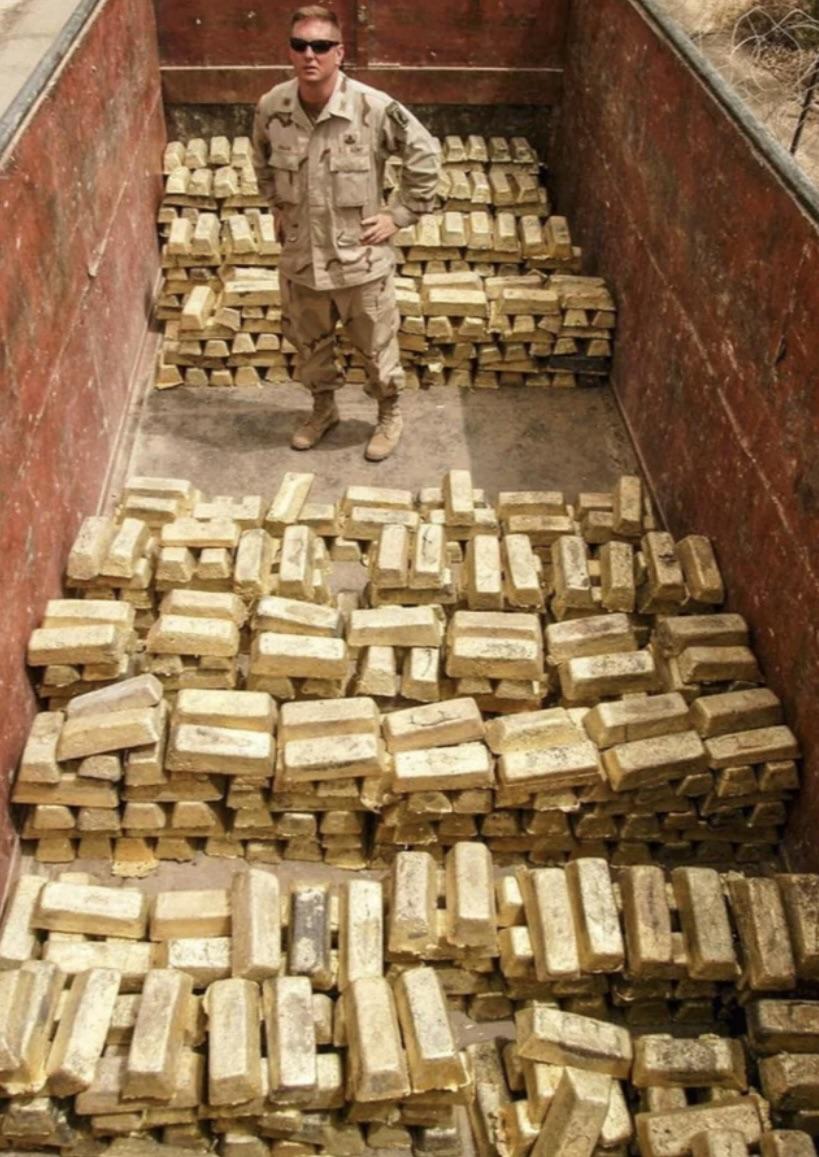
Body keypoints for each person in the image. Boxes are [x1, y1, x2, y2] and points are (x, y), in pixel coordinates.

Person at [252, 5, 440, 461]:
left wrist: (398, 215)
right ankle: (323, 410)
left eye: (320, 46)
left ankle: (389, 414)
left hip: (360, 262)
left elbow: (426, 158)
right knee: (311, 348)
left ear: (340, 52)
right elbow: (260, 162)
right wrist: (277, 205)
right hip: (302, 261)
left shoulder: (372, 109)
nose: (309, 55)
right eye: (300, 46)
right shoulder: (272, 107)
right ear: (290, 52)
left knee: (377, 351)